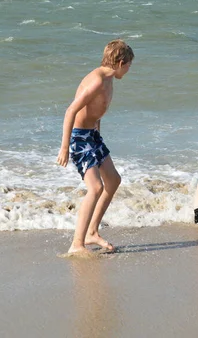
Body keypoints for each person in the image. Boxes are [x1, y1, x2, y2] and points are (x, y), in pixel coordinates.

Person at [57, 39, 134, 256]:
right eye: (128, 65)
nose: (129, 70)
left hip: (92, 136)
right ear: (120, 62)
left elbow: (95, 110)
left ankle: (92, 231)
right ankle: (77, 244)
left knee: (113, 181)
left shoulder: (109, 80)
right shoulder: (97, 81)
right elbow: (70, 111)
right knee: (96, 188)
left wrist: (97, 131)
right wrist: (64, 148)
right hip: (79, 138)